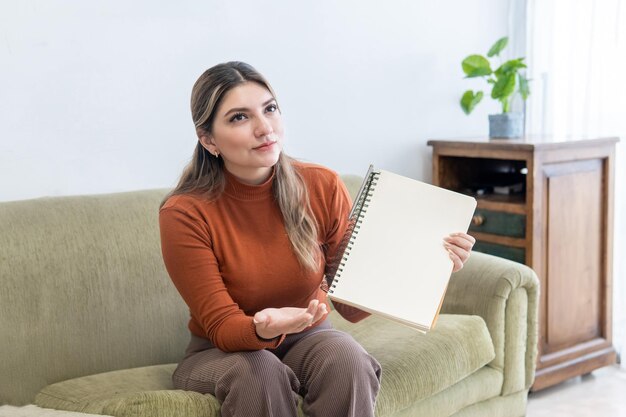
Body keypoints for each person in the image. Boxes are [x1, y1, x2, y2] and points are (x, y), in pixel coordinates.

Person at [158, 61, 475, 417]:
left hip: (309, 338)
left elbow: (351, 307)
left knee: (348, 360)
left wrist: (430, 262)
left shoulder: (320, 185)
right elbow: (221, 327)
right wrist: (264, 328)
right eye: (239, 118)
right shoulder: (185, 212)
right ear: (208, 139)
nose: (265, 128)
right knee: (259, 372)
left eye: (270, 109)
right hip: (223, 353)